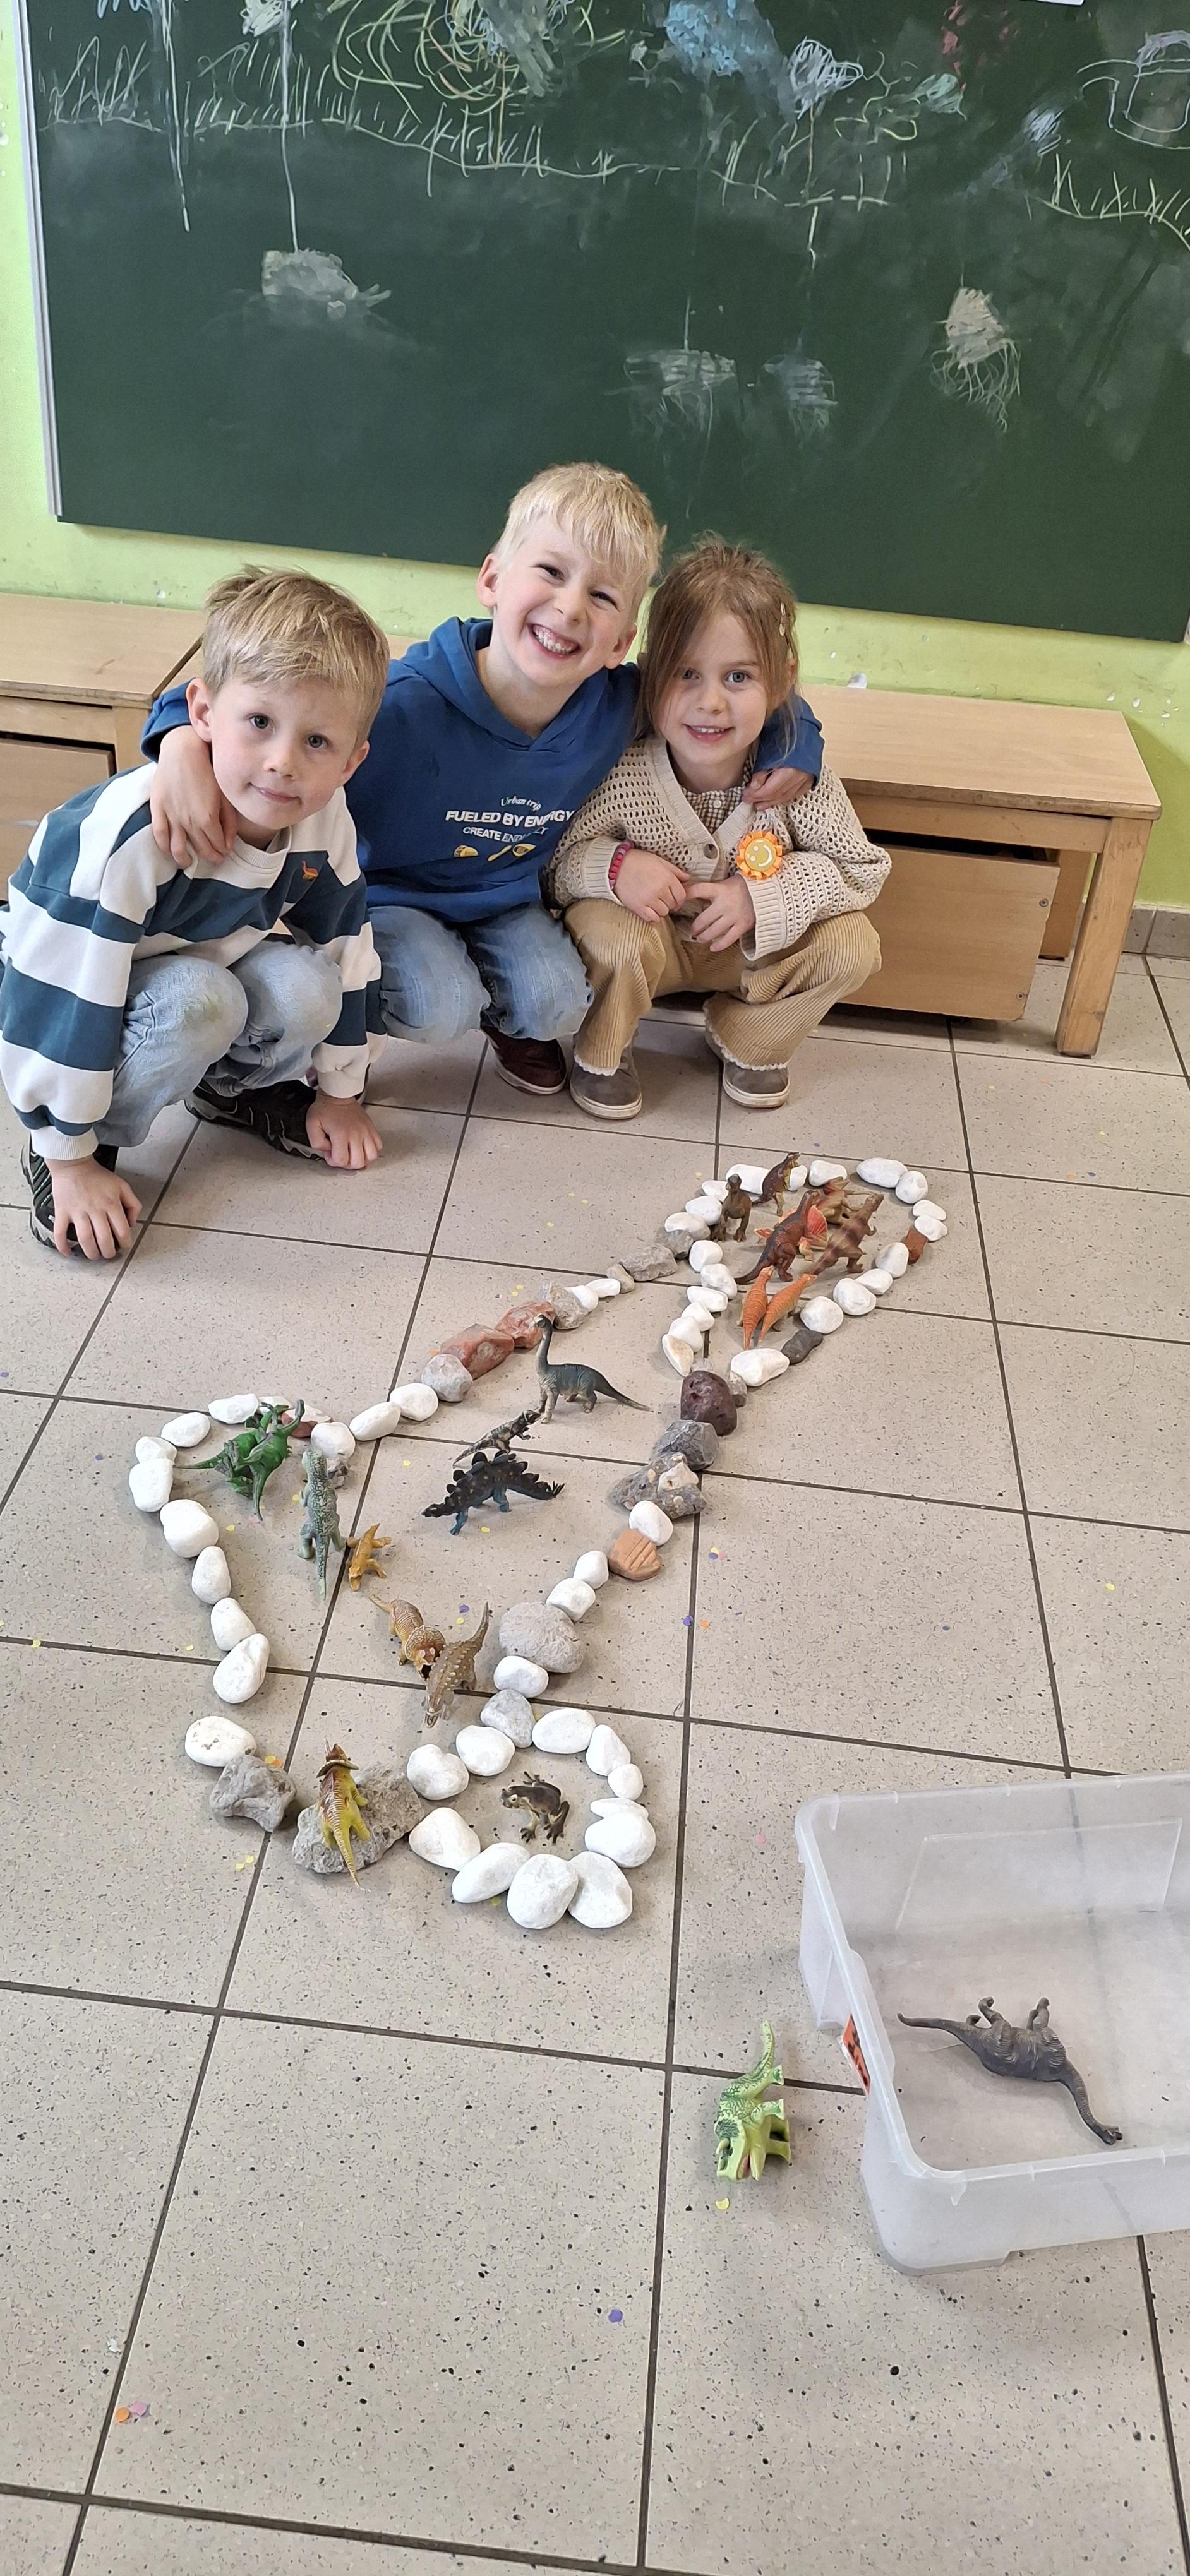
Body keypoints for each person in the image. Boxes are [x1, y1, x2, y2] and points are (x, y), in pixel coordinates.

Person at [142, 465, 824, 1099]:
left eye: (602, 596)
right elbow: (257, 695)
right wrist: (177, 740)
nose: (570, 608)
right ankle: (320, 1039)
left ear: (621, 642)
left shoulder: (616, 704)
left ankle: (504, 1018)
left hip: (504, 902)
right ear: (493, 578)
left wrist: (798, 744)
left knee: (557, 1001)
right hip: (389, 897)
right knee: (440, 1002)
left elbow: (727, 696)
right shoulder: (404, 701)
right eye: (551, 572)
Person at [0, 566, 389, 1258]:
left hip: (191, 958)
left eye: (317, 742)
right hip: (62, 982)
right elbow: (61, 989)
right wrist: (67, 1154)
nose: (282, 763)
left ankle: (224, 1092)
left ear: (350, 763)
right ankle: (75, 1146)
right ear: (203, 713)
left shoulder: (325, 820)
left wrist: (339, 1092)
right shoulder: (130, 841)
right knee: (202, 1002)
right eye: (260, 723)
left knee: (309, 987)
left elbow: (348, 948)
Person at [547, 540, 889, 1117]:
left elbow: (862, 869)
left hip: (752, 953)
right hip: (648, 946)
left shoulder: (797, 782)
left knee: (854, 945)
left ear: (781, 681)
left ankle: (748, 1039)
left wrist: (761, 897)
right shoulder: (620, 768)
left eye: (738, 677)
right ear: (649, 674)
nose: (710, 703)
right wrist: (616, 867)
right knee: (607, 934)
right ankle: (603, 1049)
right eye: (686, 673)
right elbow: (556, 865)